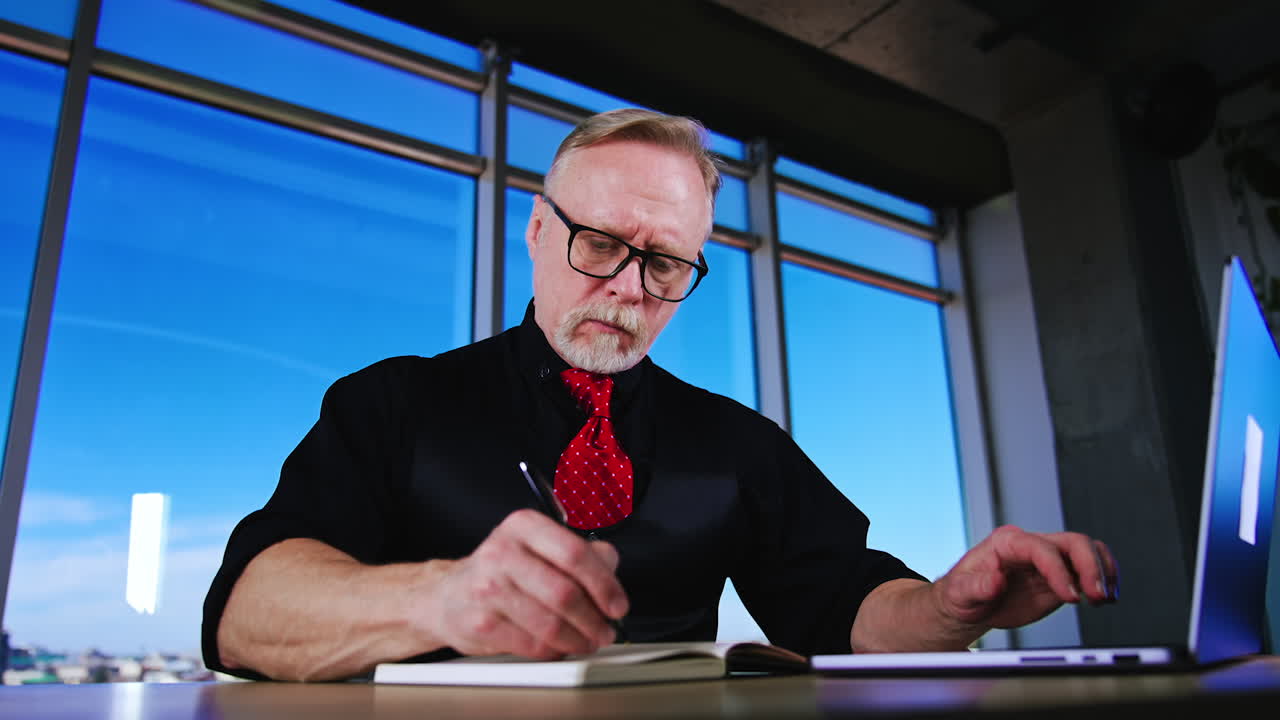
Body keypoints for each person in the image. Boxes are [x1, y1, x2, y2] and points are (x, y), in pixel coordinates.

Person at [203, 108, 1118, 682]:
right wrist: (439, 600)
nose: (630, 288)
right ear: (534, 227)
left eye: (667, 262)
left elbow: (843, 607)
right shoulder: (394, 403)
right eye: (600, 243)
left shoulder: (737, 445)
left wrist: (950, 610)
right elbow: (246, 615)